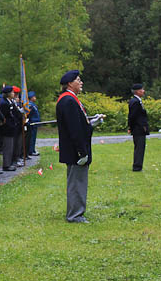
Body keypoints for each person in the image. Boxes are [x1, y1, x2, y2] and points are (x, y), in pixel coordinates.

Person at [56, 70, 103, 224]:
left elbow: (79, 123)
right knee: (77, 183)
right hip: (75, 150)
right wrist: (81, 151)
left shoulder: (69, 99)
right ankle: (75, 215)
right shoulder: (69, 100)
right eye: (78, 80)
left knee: (77, 181)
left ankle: (76, 213)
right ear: (70, 83)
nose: (81, 82)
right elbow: (74, 129)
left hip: (74, 148)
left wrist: (91, 122)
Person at [128, 83, 149, 172]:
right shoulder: (135, 102)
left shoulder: (137, 101)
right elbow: (132, 116)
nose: (143, 91)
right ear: (137, 91)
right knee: (139, 148)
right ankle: (137, 167)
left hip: (139, 128)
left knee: (140, 147)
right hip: (138, 128)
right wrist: (131, 127)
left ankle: (138, 165)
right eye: (142, 90)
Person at [0, 86, 17, 171]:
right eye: (12, 92)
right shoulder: (4, 103)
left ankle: (9, 163)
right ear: (8, 94)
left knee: (10, 146)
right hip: (7, 128)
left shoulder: (9, 102)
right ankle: (6, 165)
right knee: (7, 147)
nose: (14, 94)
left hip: (11, 127)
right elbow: (5, 116)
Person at [27, 91, 41, 156]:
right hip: (32, 123)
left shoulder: (33, 104)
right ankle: (31, 150)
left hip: (35, 123)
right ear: (31, 97)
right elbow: (28, 114)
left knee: (33, 137)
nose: (35, 98)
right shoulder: (30, 105)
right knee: (31, 138)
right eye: (34, 96)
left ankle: (32, 149)